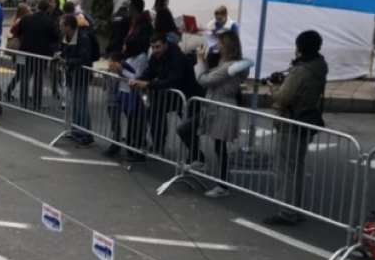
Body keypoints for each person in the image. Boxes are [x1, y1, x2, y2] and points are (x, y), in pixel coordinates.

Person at [264, 30, 328, 226]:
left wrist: (274, 86)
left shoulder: (301, 70)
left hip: (290, 122)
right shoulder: (319, 66)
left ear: (299, 47)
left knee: (285, 168)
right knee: (296, 166)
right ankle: (295, 207)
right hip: (306, 119)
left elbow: (283, 97)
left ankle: (286, 211)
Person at [180, 31, 253, 198]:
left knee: (220, 147)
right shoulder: (226, 62)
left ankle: (223, 185)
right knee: (185, 129)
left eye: (220, 44)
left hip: (222, 107)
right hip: (213, 105)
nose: (217, 46)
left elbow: (204, 80)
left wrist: (199, 60)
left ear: (228, 46)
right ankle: (199, 159)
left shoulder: (230, 67)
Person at [129, 33, 203, 156]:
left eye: (158, 47)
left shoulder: (177, 57)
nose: (155, 50)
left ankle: (196, 155)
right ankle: (158, 146)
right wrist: (138, 80)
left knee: (187, 127)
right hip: (172, 95)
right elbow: (149, 72)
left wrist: (148, 84)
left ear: (165, 45)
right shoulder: (155, 57)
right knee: (154, 111)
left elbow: (173, 80)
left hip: (188, 95)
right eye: (153, 47)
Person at [9, 0, 59, 108]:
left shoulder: (26, 19)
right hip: (41, 54)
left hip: (25, 51)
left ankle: (23, 101)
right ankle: (37, 102)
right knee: (38, 78)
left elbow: (19, 33)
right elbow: (55, 37)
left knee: (25, 76)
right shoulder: (49, 21)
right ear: (47, 9)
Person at [105, 40, 148, 162]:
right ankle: (131, 148)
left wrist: (121, 70)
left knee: (137, 123)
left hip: (135, 95)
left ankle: (138, 149)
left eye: (126, 45)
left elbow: (137, 77)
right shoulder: (128, 58)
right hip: (125, 93)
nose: (124, 48)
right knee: (131, 122)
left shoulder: (141, 58)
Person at [58, 14, 95, 147]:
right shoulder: (65, 38)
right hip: (71, 75)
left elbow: (84, 59)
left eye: (62, 25)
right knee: (74, 105)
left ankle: (87, 135)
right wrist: (59, 56)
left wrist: (66, 61)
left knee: (81, 105)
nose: (60, 27)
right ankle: (77, 131)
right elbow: (62, 51)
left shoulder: (83, 39)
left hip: (81, 76)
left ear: (68, 26)